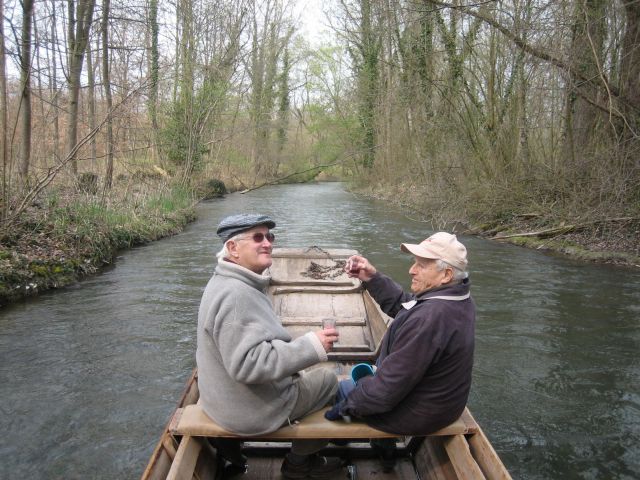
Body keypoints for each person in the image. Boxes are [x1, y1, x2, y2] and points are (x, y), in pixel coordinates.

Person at [196, 213, 345, 479]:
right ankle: (299, 462)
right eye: (257, 237)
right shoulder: (237, 295)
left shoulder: (221, 282)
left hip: (220, 402)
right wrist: (313, 346)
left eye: (269, 236)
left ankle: (230, 452)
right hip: (249, 412)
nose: (267, 243)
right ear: (233, 248)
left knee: (307, 370)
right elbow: (247, 366)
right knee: (330, 379)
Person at [326, 232, 475, 467]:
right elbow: (407, 307)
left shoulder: (430, 318)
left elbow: (384, 392)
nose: (411, 270)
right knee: (363, 389)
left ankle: (342, 443)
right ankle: (385, 451)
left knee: (341, 390)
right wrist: (372, 277)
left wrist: (345, 405)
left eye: (421, 265)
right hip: (443, 404)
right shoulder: (454, 298)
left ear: (446, 274)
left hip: (420, 414)